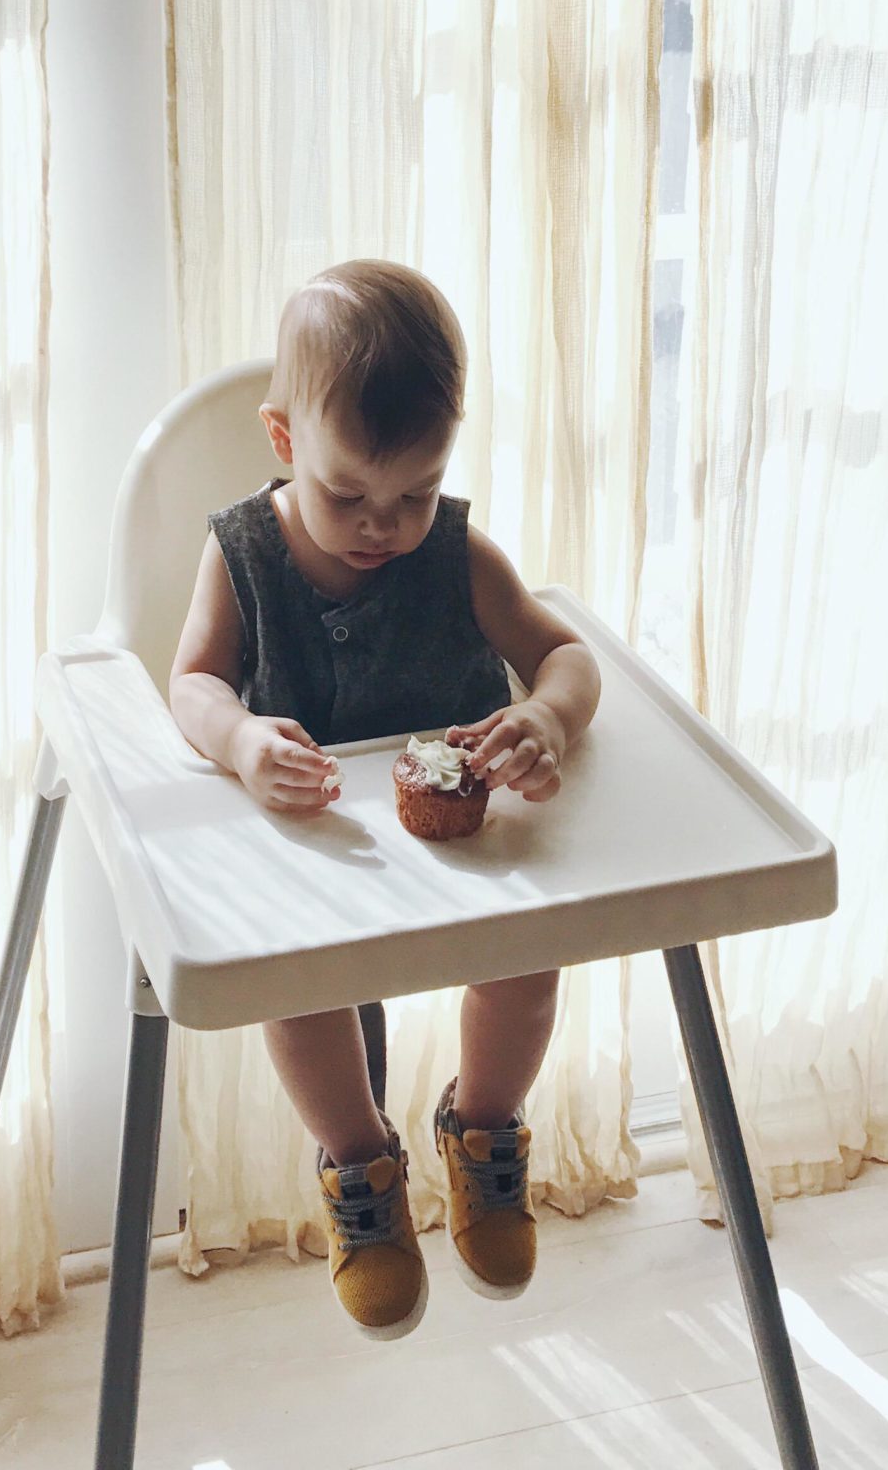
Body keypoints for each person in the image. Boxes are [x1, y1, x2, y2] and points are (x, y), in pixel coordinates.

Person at [169, 260, 602, 1338]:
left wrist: (545, 720)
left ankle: (484, 1128)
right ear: (283, 441)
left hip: (474, 854)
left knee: (527, 961)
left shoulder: (455, 554)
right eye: (348, 496)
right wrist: (237, 737)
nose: (383, 525)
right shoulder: (243, 555)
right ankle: (361, 1166)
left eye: (415, 493)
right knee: (301, 985)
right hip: (319, 850)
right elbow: (191, 681)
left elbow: (566, 655)